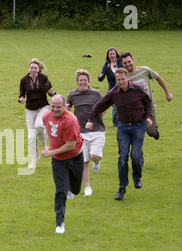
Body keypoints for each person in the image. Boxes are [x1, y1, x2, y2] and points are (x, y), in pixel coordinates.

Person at [85, 68, 153, 201]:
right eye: (118, 80)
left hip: (139, 126)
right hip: (122, 128)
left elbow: (148, 102)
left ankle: (137, 177)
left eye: (123, 79)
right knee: (122, 157)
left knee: (135, 155)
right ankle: (122, 188)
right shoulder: (113, 93)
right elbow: (100, 105)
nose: (121, 82)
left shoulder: (138, 89)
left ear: (128, 78)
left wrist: (149, 116)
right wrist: (90, 120)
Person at [41, 94, 84, 234]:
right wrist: (47, 146)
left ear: (65, 106)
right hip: (59, 161)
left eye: (58, 107)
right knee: (60, 190)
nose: (55, 109)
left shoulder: (70, 120)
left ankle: (72, 188)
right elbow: (48, 131)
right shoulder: (46, 117)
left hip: (75, 157)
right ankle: (59, 223)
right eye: (52, 106)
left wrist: (50, 152)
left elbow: (70, 146)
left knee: (76, 189)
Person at [67, 69, 104, 197]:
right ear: (77, 82)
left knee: (94, 156)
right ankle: (87, 187)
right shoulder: (72, 95)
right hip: (80, 132)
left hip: (97, 130)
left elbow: (103, 107)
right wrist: (66, 109)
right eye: (80, 80)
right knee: (83, 161)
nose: (83, 82)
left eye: (85, 80)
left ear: (88, 81)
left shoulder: (96, 94)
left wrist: (99, 113)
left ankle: (97, 161)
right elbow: (68, 109)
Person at [121, 52, 173, 140]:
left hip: (148, 107)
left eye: (129, 61)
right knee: (134, 134)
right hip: (133, 110)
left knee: (151, 132)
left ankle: (155, 131)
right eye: (125, 63)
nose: (128, 64)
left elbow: (158, 78)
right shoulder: (123, 76)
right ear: (122, 64)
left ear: (133, 60)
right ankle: (137, 153)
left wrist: (167, 92)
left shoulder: (144, 70)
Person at [19, 58, 55, 169]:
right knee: (31, 137)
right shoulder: (24, 80)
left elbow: (50, 92)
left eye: (35, 68)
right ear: (28, 68)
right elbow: (21, 94)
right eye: (32, 68)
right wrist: (21, 99)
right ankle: (34, 160)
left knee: (39, 125)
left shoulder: (44, 78)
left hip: (43, 107)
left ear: (39, 69)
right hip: (30, 109)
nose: (33, 70)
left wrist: (51, 92)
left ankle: (44, 143)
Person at [98, 47, 123, 127]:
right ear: (108, 56)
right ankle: (116, 124)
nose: (112, 55)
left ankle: (124, 121)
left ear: (116, 54)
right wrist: (100, 76)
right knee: (115, 107)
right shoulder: (107, 65)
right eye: (110, 54)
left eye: (113, 53)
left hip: (123, 87)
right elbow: (101, 78)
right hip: (113, 89)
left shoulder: (121, 62)